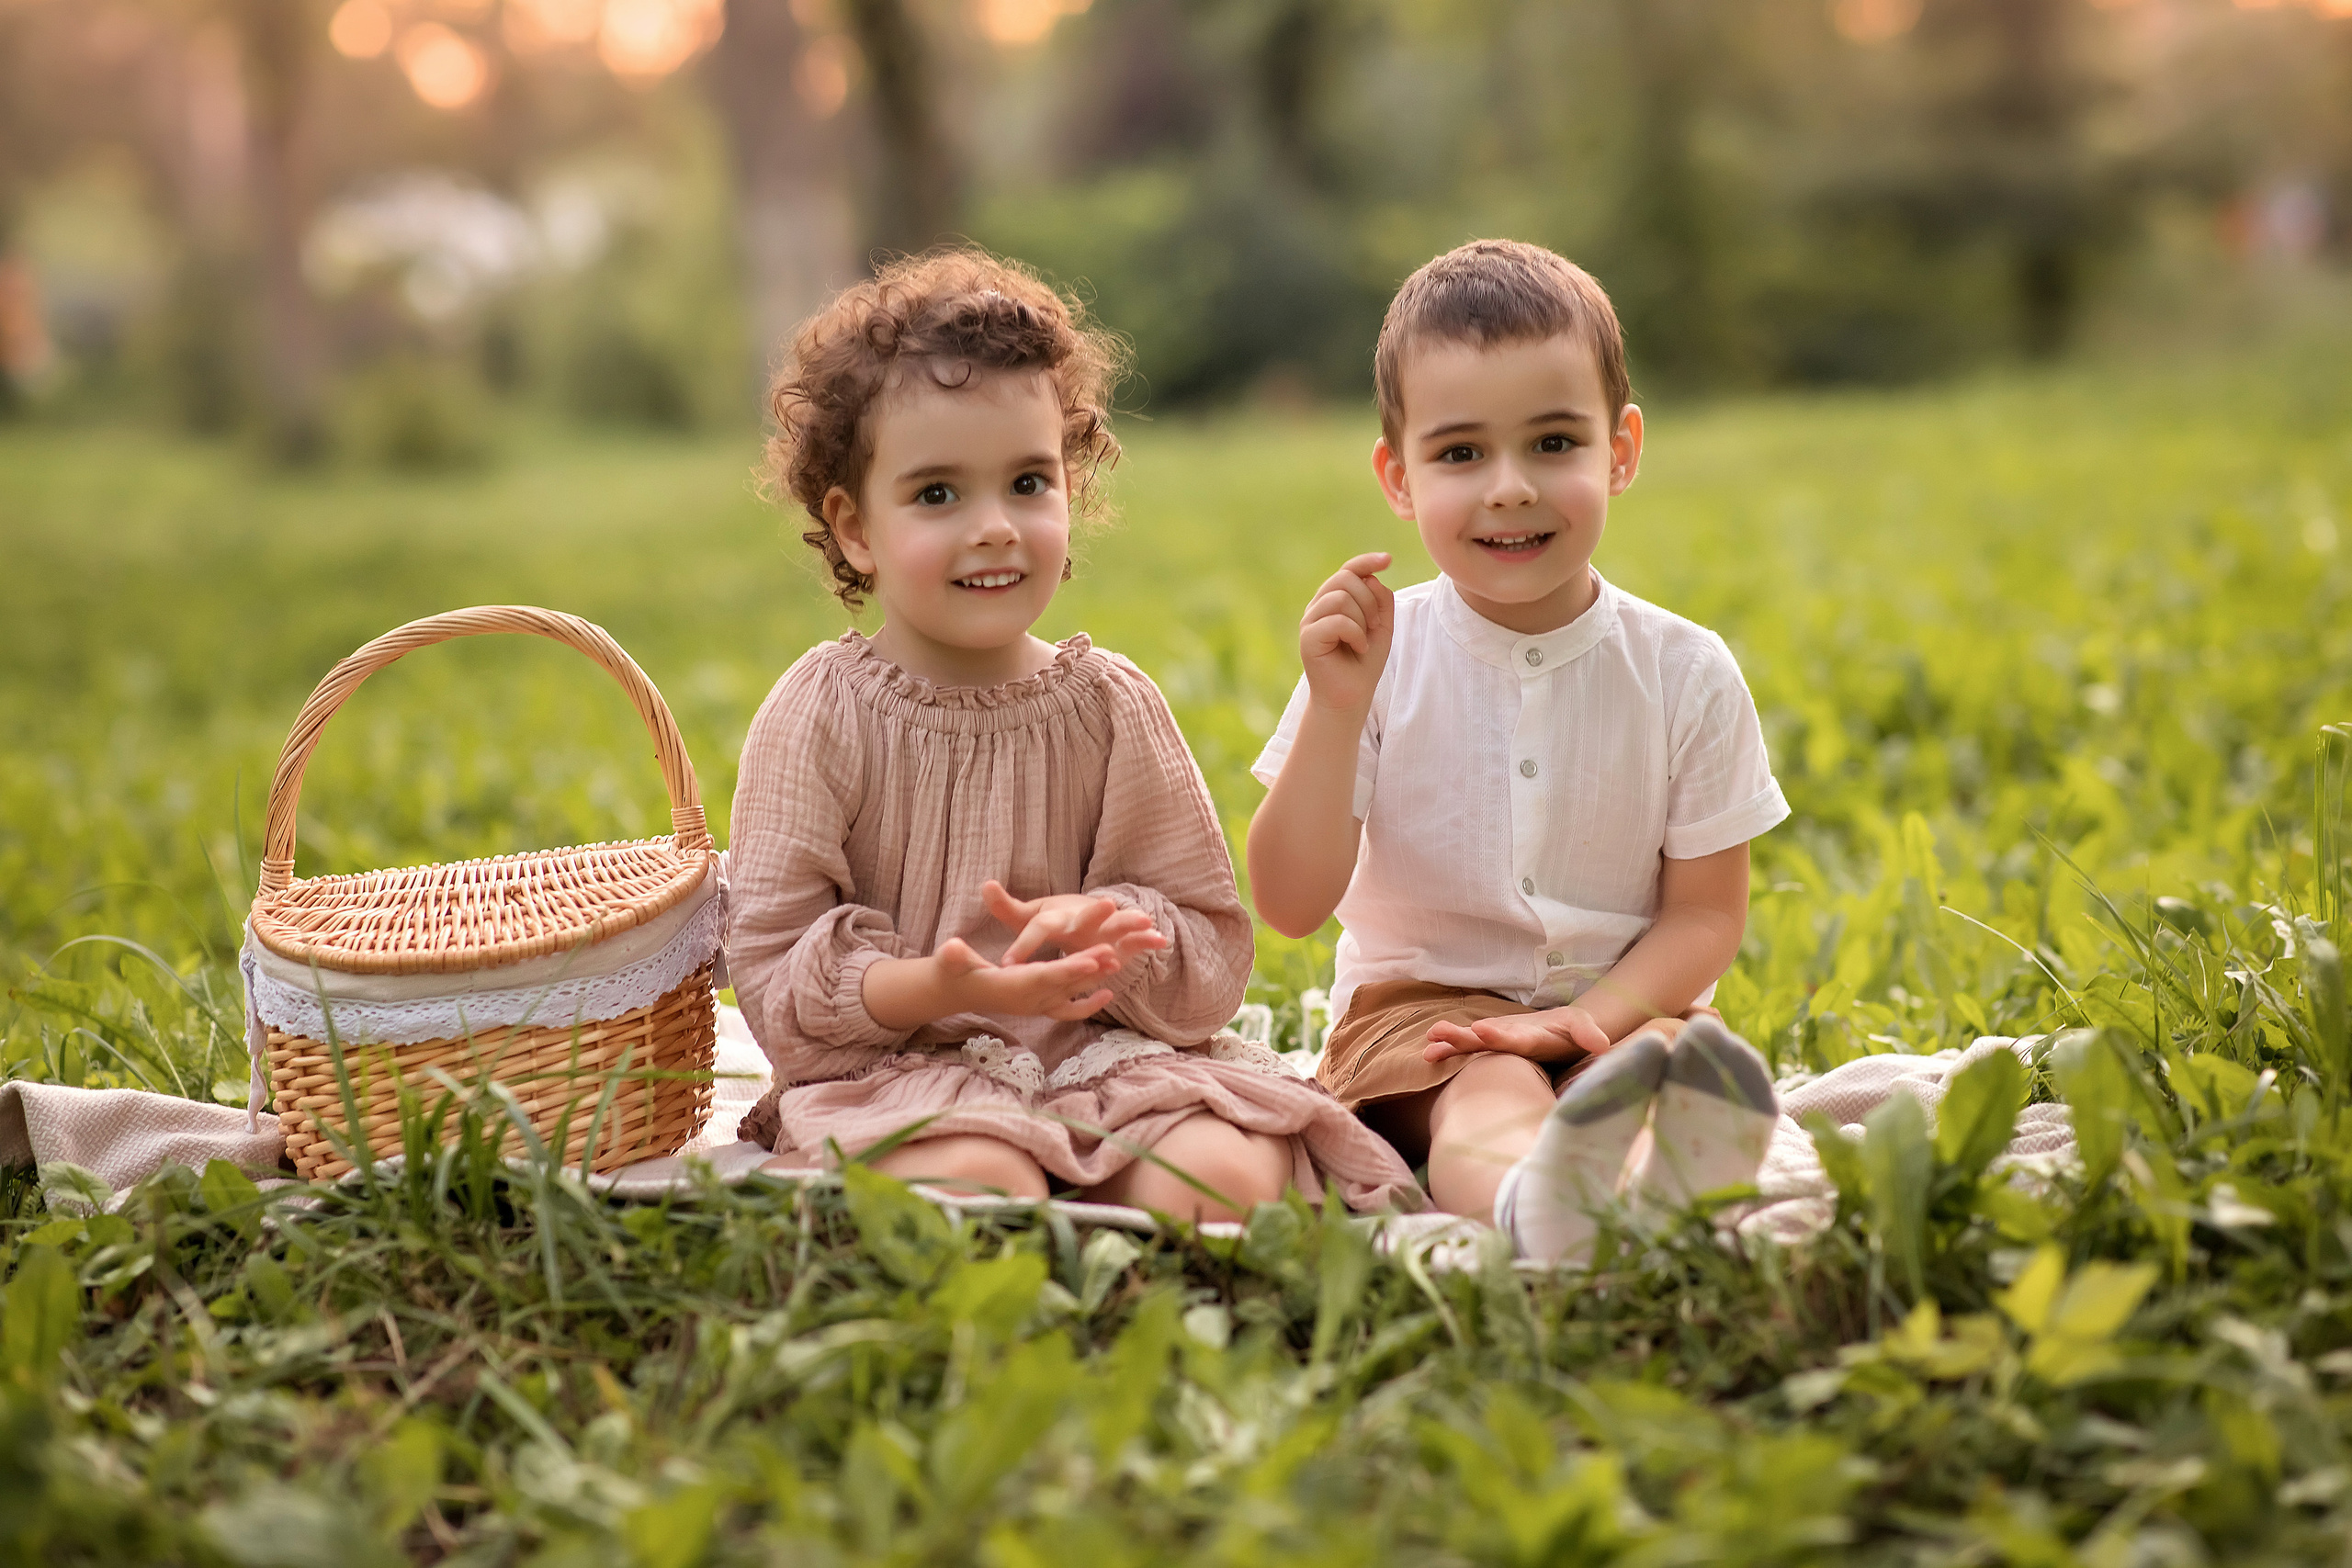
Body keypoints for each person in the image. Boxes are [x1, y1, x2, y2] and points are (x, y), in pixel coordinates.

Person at [727, 249, 1422, 1223]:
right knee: (983, 1189)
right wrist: (931, 984)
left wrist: (1115, 938)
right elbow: (770, 970)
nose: (995, 528)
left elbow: (1208, 952)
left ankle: (1159, 1288)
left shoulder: (1106, 704)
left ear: (1070, 486)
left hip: (1099, 1060)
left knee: (1228, 1182)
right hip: (902, 1069)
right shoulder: (819, 715)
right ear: (853, 528)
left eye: (1026, 483)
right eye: (937, 495)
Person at [1246, 240, 1789, 1262]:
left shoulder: (1685, 670)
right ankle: (1533, 1214)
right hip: (1423, 1025)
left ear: (1618, 451)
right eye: (1459, 455)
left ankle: (1645, 1202)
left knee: (1672, 1065)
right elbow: (1286, 902)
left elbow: (1707, 915)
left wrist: (1585, 1023)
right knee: (1489, 1085)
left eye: (1551, 444)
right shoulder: (1376, 662)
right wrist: (1330, 710)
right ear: (1396, 477)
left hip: (1619, 1005)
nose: (1508, 489)